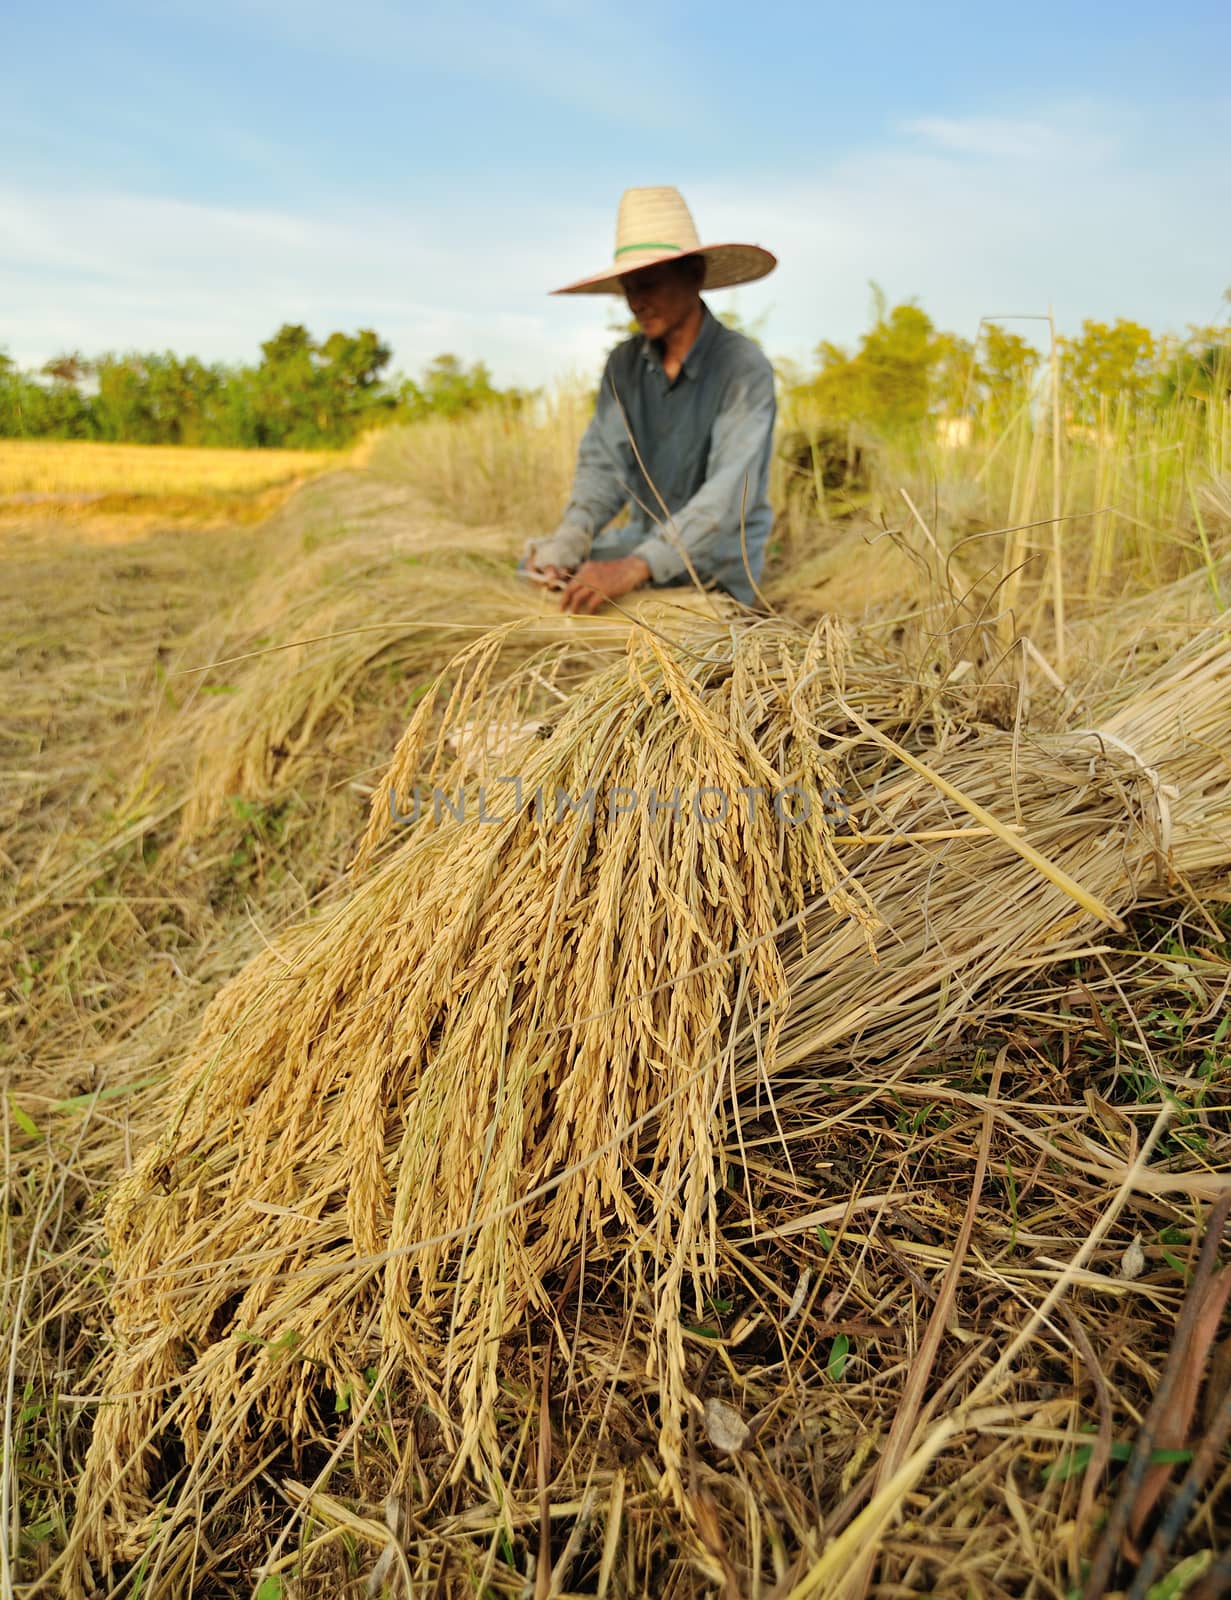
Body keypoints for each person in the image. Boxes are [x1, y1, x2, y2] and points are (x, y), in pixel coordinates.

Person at [524, 186, 778, 615]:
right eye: (628, 287)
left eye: (650, 283)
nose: (636, 302)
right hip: (644, 540)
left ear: (693, 274)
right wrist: (570, 541)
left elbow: (728, 495)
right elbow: (604, 468)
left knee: (678, 620)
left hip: (718, 560)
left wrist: (635, 566)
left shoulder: (742, 366)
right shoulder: (623, 366)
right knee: (540, 573)